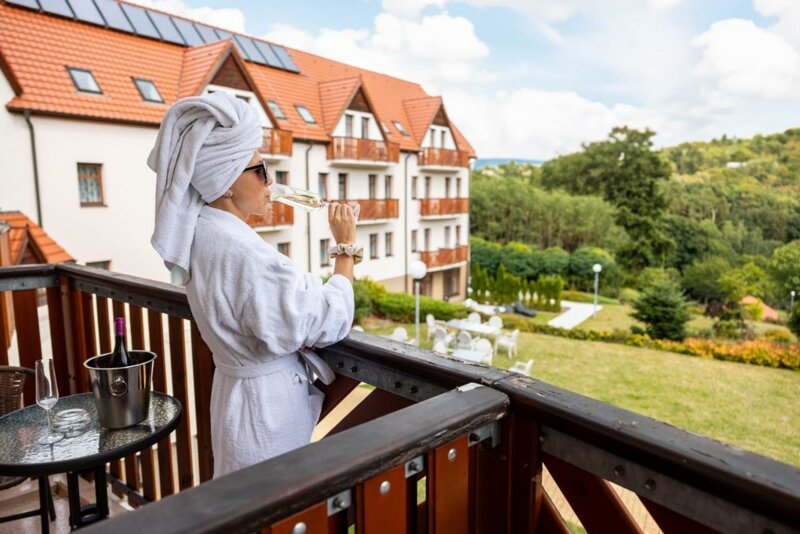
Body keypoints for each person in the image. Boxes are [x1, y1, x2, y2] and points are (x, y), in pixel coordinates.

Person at [148, 92, 358, 477]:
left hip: (236, 397)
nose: (271, 182)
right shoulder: (245, 254)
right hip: (267, 413)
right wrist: (345, 248)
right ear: (227, 181)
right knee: (274, 505)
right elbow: (327, 321)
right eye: (260, 171)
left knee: (242, 500)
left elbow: (272, 309)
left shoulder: (202, 233)